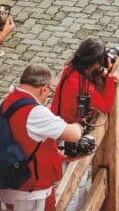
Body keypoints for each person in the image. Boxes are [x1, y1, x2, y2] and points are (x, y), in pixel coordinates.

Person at [0, 63, 84, 211]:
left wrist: (59, 157)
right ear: (44, 88)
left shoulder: (7, 102)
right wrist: (79, 126)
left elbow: (23, 144)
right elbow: (74, 134)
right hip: (30, 191)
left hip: (12, 183)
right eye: (49, 91)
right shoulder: (36, 113)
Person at [50, 38, 119, 211]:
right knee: (73, 186)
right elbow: (105, 106)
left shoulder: (71, 68)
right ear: (95, 62)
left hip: (59, 129)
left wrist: (104, 73)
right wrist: (110, 77)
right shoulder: (81, 87)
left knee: (78, 182)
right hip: (67, 136)